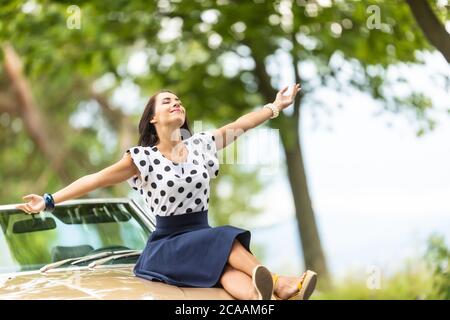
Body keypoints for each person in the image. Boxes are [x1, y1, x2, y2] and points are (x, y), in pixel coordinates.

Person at [15, 83, 317, 300]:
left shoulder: (201, 145)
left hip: (200, 239)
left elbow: (241, 124)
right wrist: (49, 200)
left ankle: (264, 297)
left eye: (178, 101)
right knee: (226, 238)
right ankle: (280, 282)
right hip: (168, 246)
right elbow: (95, 179)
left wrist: (276, 106)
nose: (176, 103)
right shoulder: (142, 158)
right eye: (167, 102)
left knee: (225, 274)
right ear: (153, 119)